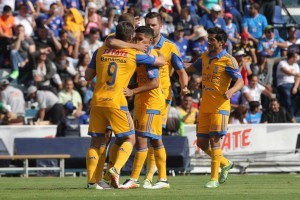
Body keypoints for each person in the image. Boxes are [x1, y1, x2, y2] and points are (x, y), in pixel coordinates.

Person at [84, 21, 165, 189]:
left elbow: (87, 75)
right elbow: (160, 62)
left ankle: (92, 182)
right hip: (116, 101)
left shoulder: (99, 51)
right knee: (130, 138)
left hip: (97, 100)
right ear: (130, 37)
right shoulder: (133, 54)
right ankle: (115, 169)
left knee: (95, 143)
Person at [187, 27, 244, 188]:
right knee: (201, 144)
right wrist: (172, 63)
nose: (209, 42)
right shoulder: (204, 57)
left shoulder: (228, 60)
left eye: (212, 40)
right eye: (208, 39)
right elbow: (190, 67)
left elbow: (240, 81)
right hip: (204, 106)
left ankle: (213, 179)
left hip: (220, 106)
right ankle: (225, 163)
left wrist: (231, 90)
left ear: (221, 42)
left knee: (214, 141)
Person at [142, 12, 189, 188]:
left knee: (153, 137)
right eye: (148, 24)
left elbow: (181, 71)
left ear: (161, 25)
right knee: (145, 137)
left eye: (153, 25)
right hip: (141, 96)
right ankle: (149, 177)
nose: (150, 28)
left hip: (161, 98)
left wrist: (184, 87)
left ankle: (151, 177)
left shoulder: (169, 47)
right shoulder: (141, 44)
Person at [119, 26, 169, 189]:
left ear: (149, 41)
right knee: (154, 141)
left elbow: (154, 83)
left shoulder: (151, 55)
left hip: (152, 103)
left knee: (144, 140)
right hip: (143, 102)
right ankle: (162, 179)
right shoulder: (141, 55)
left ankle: (136, 179)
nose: (137, 41)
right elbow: (143, 81)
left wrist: (132, 90)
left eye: (141, 39)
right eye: (136, 38)